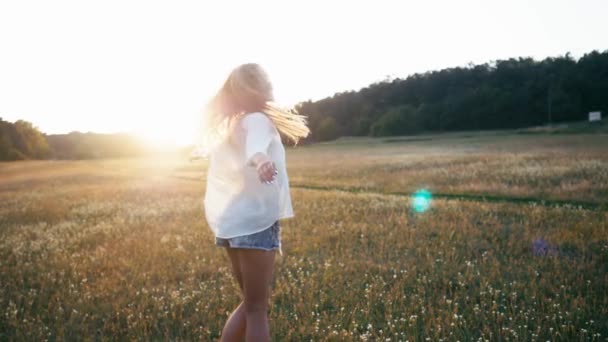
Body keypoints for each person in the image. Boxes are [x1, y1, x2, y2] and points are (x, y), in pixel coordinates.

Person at [202, 63, 310, 341]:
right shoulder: (258, 121)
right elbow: (256, 150)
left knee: (250, 304)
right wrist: (262, 160)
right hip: (255, 223)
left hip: (231, 223)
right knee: (257, 309)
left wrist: (259, 158)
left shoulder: (233, 124)